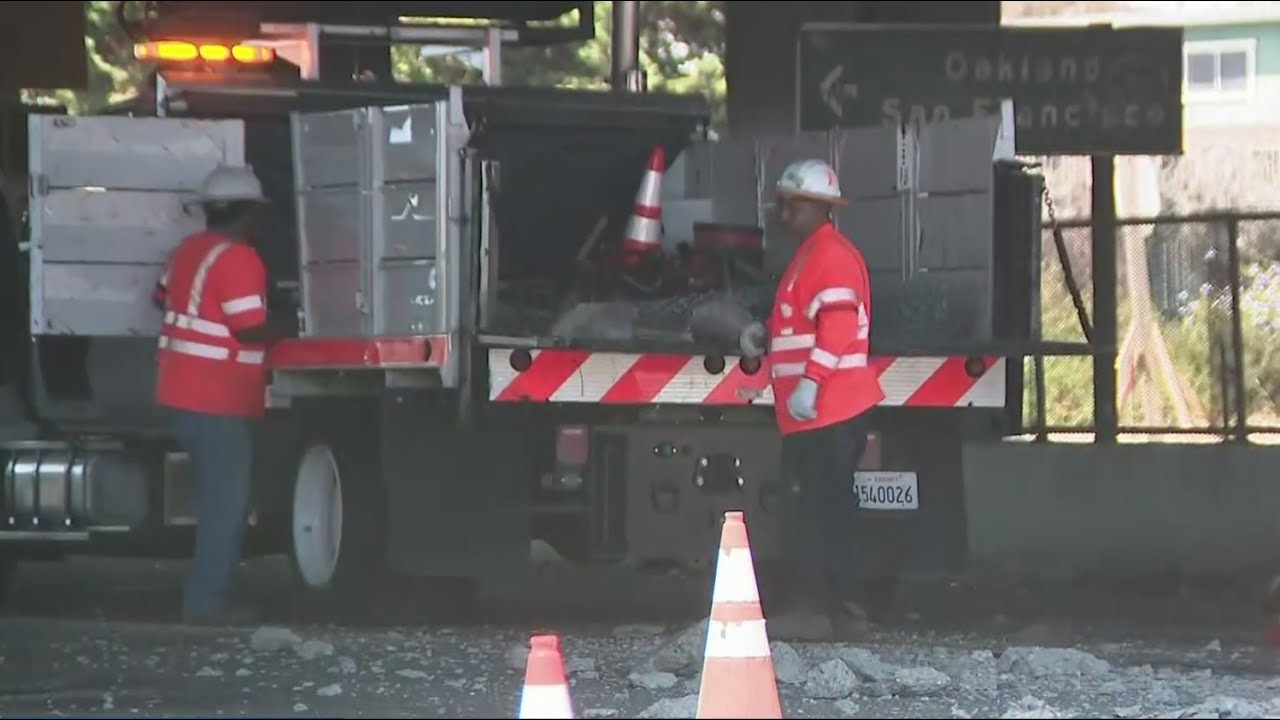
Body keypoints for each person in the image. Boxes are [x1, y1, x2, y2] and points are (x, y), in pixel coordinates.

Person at [739, 158, 886, 641]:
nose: (784, 214)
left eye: (793, 206)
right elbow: (806, 322)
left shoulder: (830, 257)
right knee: (827, 508)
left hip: (827, 409)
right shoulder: (814, 254)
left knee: (813, 509)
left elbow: (839, 327)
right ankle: (841, 610)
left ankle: (814, 610)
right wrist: (767, 334)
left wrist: (810, 384)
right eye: (782, 204)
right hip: (822, 412)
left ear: (820, 208)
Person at [152, 165, 292, 625]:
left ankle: (204, 599)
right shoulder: (239, 259)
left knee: (218, 501)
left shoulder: (186, 251)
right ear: (247, 212)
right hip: (218, 400)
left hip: (180, 394)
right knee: (226, 506)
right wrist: (292, 326)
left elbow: (161, 296)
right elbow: (250, 327)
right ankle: (205, 605)